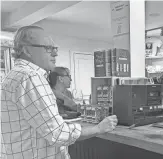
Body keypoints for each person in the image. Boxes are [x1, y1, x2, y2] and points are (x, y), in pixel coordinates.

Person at [1, 26, 118, 159]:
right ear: (27, 50)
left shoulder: (14, 76)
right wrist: (99, 128)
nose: (55, 53)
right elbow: (57, 133)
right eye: (48, 48)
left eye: (54, 48)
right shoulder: (30, 77)